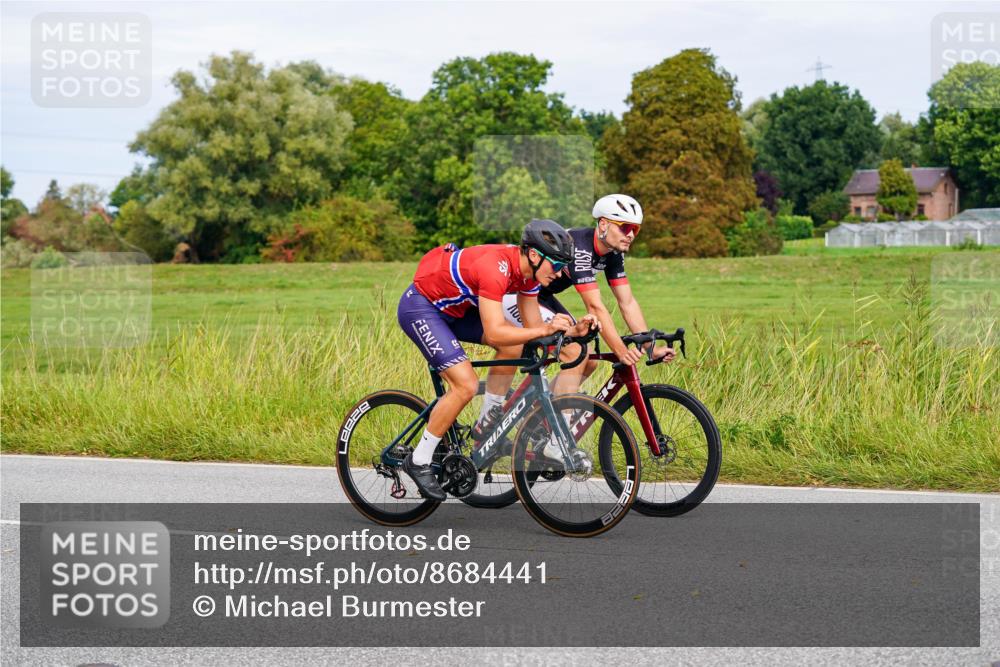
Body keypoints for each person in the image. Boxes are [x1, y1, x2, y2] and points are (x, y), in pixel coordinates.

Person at [396, 219, 598, 500]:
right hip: (421, 308)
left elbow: (533, 330)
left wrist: (573, 332)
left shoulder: (530, 275)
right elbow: (494, 331)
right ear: (536, 255)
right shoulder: (495, 268)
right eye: (557, 264)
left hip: (455, 311)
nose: (561, 272)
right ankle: (419, 459)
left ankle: (487, 417)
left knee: (514, 344)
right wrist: (544, 329)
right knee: (464, 385)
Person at [498, 194, 675, 394]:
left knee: (589, 361)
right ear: (603, 224)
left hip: (541, 297)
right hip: (515, 295)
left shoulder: (614, 253)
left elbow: (627, 302)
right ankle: (560, 421)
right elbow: (595, 307)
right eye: (625, 227)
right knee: (575, 354)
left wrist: (649, 347)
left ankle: (542, 418)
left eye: (635, 229)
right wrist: (621, 351)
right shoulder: (579, 248)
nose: (631, 235)